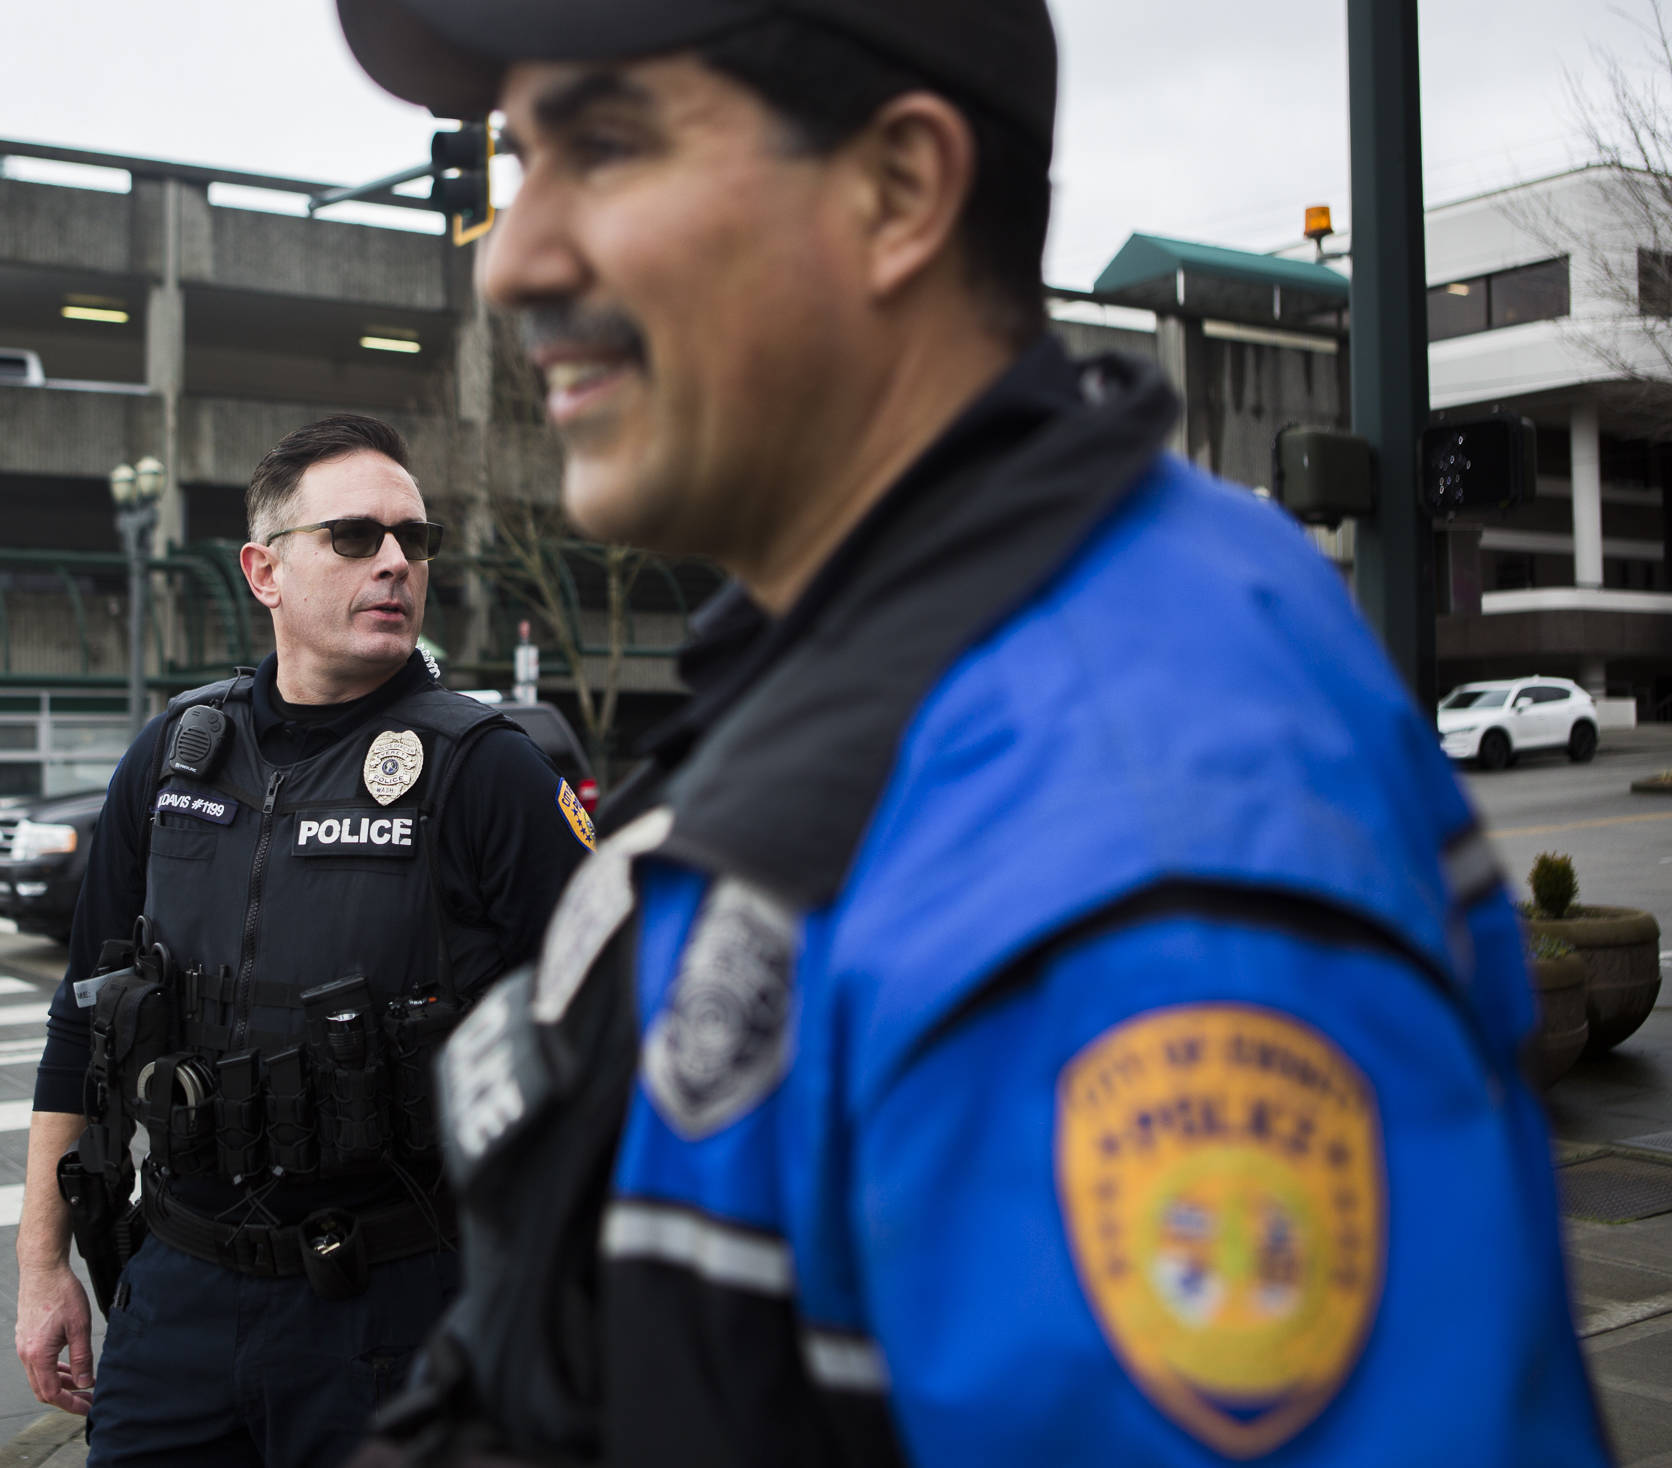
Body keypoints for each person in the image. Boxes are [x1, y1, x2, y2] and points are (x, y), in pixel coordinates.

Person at [335, 5, 1612, 1466]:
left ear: (899, 193)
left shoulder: (1123, 853)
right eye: (517, 157)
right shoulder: (903, 659)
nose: (513, 254)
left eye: (605, 147)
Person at [12, 412, 593, 1468]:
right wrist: (43, 1268)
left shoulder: (484, 769)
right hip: (175, 1302)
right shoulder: (177, 758)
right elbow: (78, 1029)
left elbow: (608, 1055)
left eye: (413, 541)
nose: (393, 563)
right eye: (354, 537)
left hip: (393, 1313)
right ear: (262, 570)